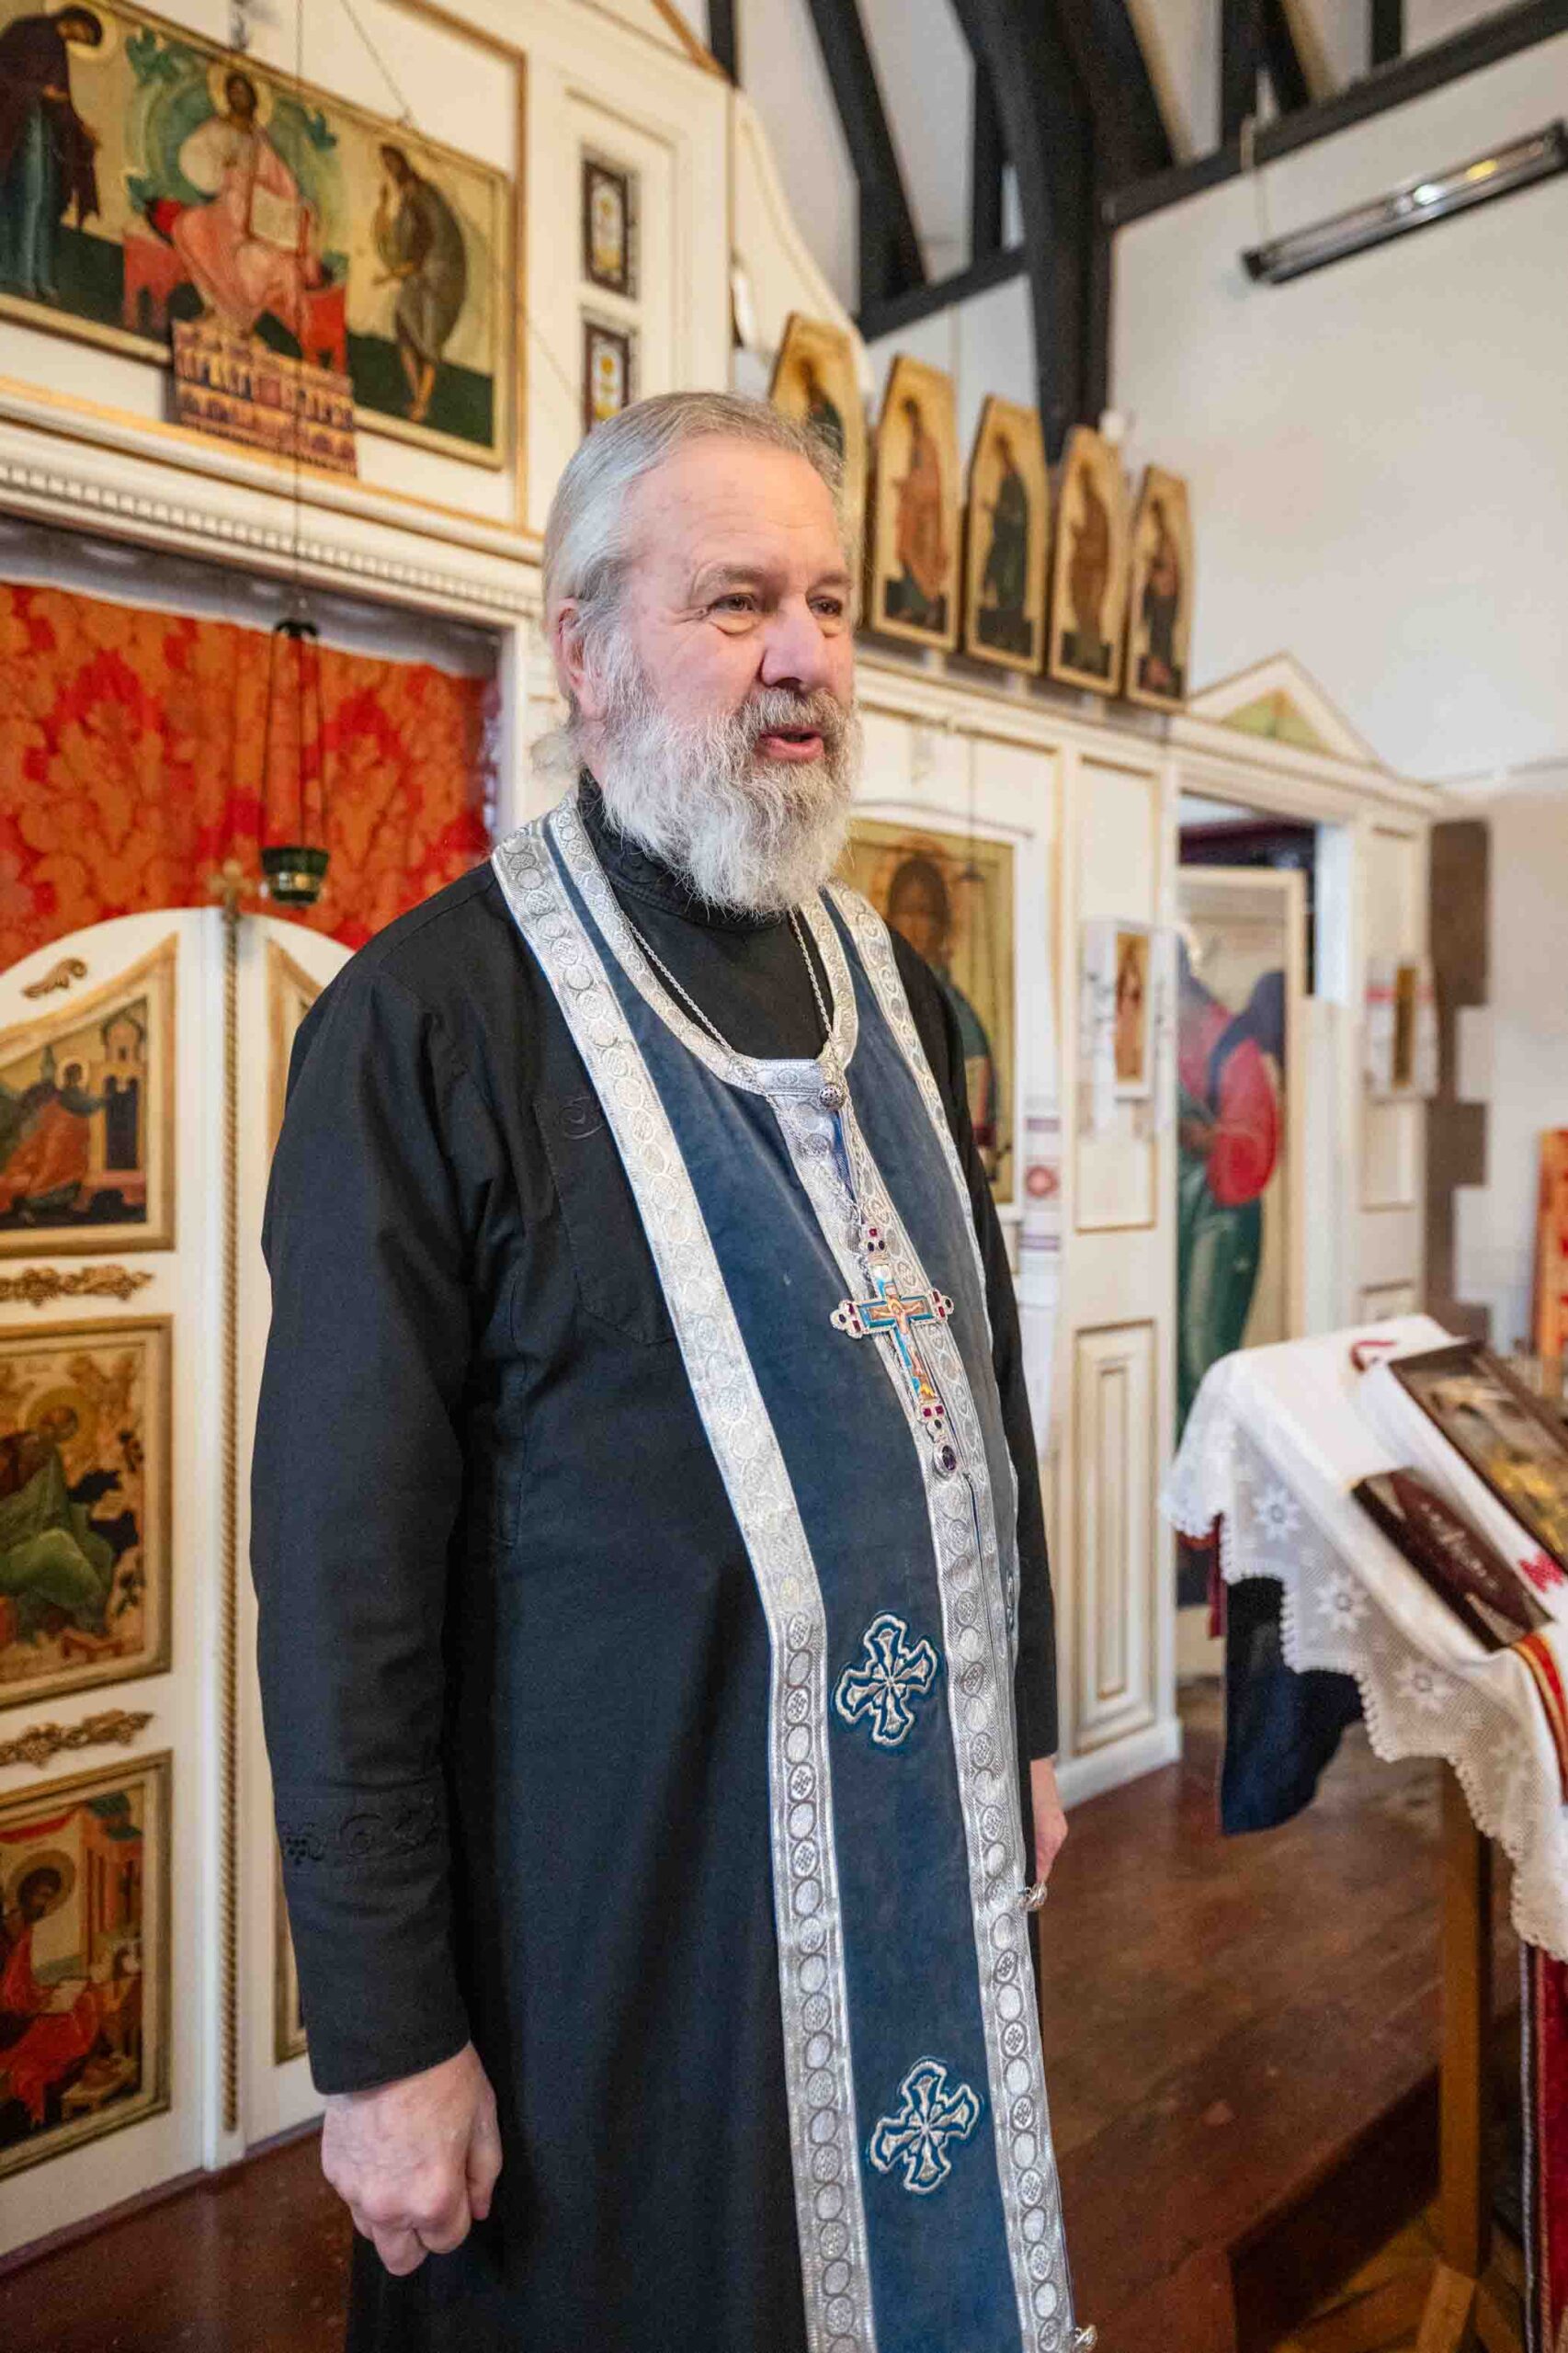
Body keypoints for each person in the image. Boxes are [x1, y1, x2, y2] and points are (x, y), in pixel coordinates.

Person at [252, 392, 1077, 2353]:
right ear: (583, 648)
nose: (802, 656)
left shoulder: (900, 996)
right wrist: (385, 2035)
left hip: (913, 1874)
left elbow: (978, 1393)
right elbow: (343, 1578)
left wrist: (1026, 1722)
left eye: (826, 604)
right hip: (611, 1933)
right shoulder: (429, 1025)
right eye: (733, 602)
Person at [165, 71, 321, 343]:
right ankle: (214, 307)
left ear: (254, 98)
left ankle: (240, 319)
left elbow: (279, 179)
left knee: (252, 259)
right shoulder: (217, 128)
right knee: (190, 227)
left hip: (257, 212)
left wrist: (296, 205)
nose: (238, 96)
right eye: (233, 91)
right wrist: (221, 168)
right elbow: (195, 155)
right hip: (228, 203)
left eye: (243, 91)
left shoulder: (260, 138)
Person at [0, 7, 101, 302]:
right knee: (30, 195)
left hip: (41, 124)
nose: (81, 39)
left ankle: (40, 276)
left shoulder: (58, 47)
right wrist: (40, 91)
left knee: (47, 200)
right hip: (16, 121)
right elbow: (5, 73)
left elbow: (61, 98)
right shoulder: (29, 29)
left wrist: (80, 127)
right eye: (85, 34)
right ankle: (20, 275)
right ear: (76, 20)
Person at [373, 144, 467, 427]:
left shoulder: (422, 197)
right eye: (385, 164)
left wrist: (393, 275)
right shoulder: (407, 198)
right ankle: (418, 398)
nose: (389, 169)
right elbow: (398, 240)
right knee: (404, 329)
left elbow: (422, 246)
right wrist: (382, 205)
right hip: (419, 278)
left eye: (391, 163)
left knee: (427, 341)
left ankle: (423, 402)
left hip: (436, 281)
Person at [891, 392, 949, 631]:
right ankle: (911, 606)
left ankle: (928, 609)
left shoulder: (926, 444)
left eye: (911, 417)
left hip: (925, 514)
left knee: (922, 562)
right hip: (913, 509)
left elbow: (931, 481)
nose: (911, 423)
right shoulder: (915, 443)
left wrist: (908, 484)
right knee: (906, 554)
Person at [977, 432, 1031, 656]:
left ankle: (1010, 637)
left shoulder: (1015, 483)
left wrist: (995, 510)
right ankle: (1001, 635)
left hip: (1013, 550)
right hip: (1003, 544)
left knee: (1009, 592)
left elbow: (1017, 517)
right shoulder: (1006, 481)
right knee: (999, 589)